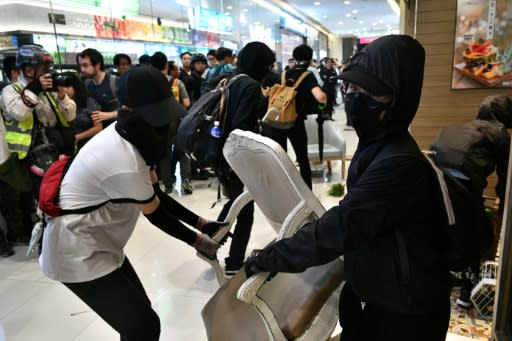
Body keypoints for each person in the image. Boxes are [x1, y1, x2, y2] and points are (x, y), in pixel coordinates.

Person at [244, 35, 451, 341]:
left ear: (396, 100)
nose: (353, 97)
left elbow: (341, 227)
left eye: (368, 92)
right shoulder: (377, 145)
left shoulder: (399, 163)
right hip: (380, 295)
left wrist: (271, 257)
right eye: (350, 88)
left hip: (404, 313)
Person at [40, 65, 226, 341]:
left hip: (100, 243)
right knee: (142, 327)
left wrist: (202, 224)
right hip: (77, 253)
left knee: (141, 321)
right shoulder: (122, 158)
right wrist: (198, 240)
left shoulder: (128, 135)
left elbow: (154, 194)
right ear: (128, 110)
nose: (164, 128)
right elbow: (156, 213)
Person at [430, 94, 512, 308]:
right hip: (463, 185)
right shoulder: (501, 133)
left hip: (433, 181)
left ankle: (441, 272)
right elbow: (505, 177)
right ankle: (467, 291)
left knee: (441, 227)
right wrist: (503, 207)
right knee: (480, 234)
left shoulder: (458, 127)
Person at [2, 45, 76, 242]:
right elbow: (17, 112)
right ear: (29, 70)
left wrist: (61, 96)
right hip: (31, 155)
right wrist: (34, 89)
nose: (49, 73)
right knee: (42, 198)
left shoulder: (49, 91)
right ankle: (48, 237)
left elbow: (70, 115)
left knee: (63, 191)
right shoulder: (11, 90)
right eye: (45, 68)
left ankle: (67, 230)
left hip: (55, 150)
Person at [216, 41, 276, 278]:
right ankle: (234, 262)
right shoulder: (250, 85)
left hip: (221, 152)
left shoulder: (228, 79)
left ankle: (210, 240)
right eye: (268, 64)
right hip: (237, 157)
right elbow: (240, 127)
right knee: (244, 208)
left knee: (235, 202)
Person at [261, 44, 327, 189]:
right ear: (310, 60)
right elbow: (320, 97)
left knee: (281, 158)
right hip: (295, 122)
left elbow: (268, 93)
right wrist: (324, 100)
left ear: (294, 58)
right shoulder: (307, 76)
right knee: (302, 159)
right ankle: (306, 191)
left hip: (278, 120)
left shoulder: (284, 74)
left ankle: (284, 190)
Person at [58, 74, 103, 150]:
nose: (64, 90)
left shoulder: (89, 102)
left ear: (76, 87)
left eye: (68, 87)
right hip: (67, 146)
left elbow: (98, 128)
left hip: (89, 144)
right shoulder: (59, 103)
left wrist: (78, 137)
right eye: (62, 87)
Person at [77, 48, 119, 128]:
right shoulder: (87, 84)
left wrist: (109, 115)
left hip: (117, 131)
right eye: (80, 66)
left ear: (97, 65)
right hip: (99, 133)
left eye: (85, 65)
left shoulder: (115, 82)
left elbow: (131, 109)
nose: (82, 69)